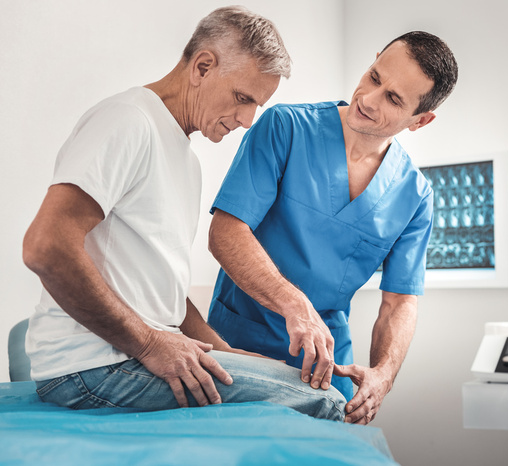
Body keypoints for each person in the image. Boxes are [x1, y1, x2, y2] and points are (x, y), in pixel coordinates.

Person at [21, 6, 345, 422]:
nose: (247, 120)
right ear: (203, 66)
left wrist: (225, 353)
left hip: (122, 357)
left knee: (293, 379)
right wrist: (150, 345)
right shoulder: (128, 120)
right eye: (243, 98)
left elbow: (162, 296)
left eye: (257, 107)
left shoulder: (186, 160)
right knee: (326, 401)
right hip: (92, 366)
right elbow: (46, 247)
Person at [207, 31, 458, 424]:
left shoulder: (414, 195)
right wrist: (296, 306)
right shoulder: (285, 128)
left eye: (393, 99)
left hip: (324, 364)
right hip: (239, 343)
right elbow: (226, 232)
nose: (368, 99)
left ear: (421, 120)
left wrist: (383, 375)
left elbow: (400, 301)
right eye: (375, 77)